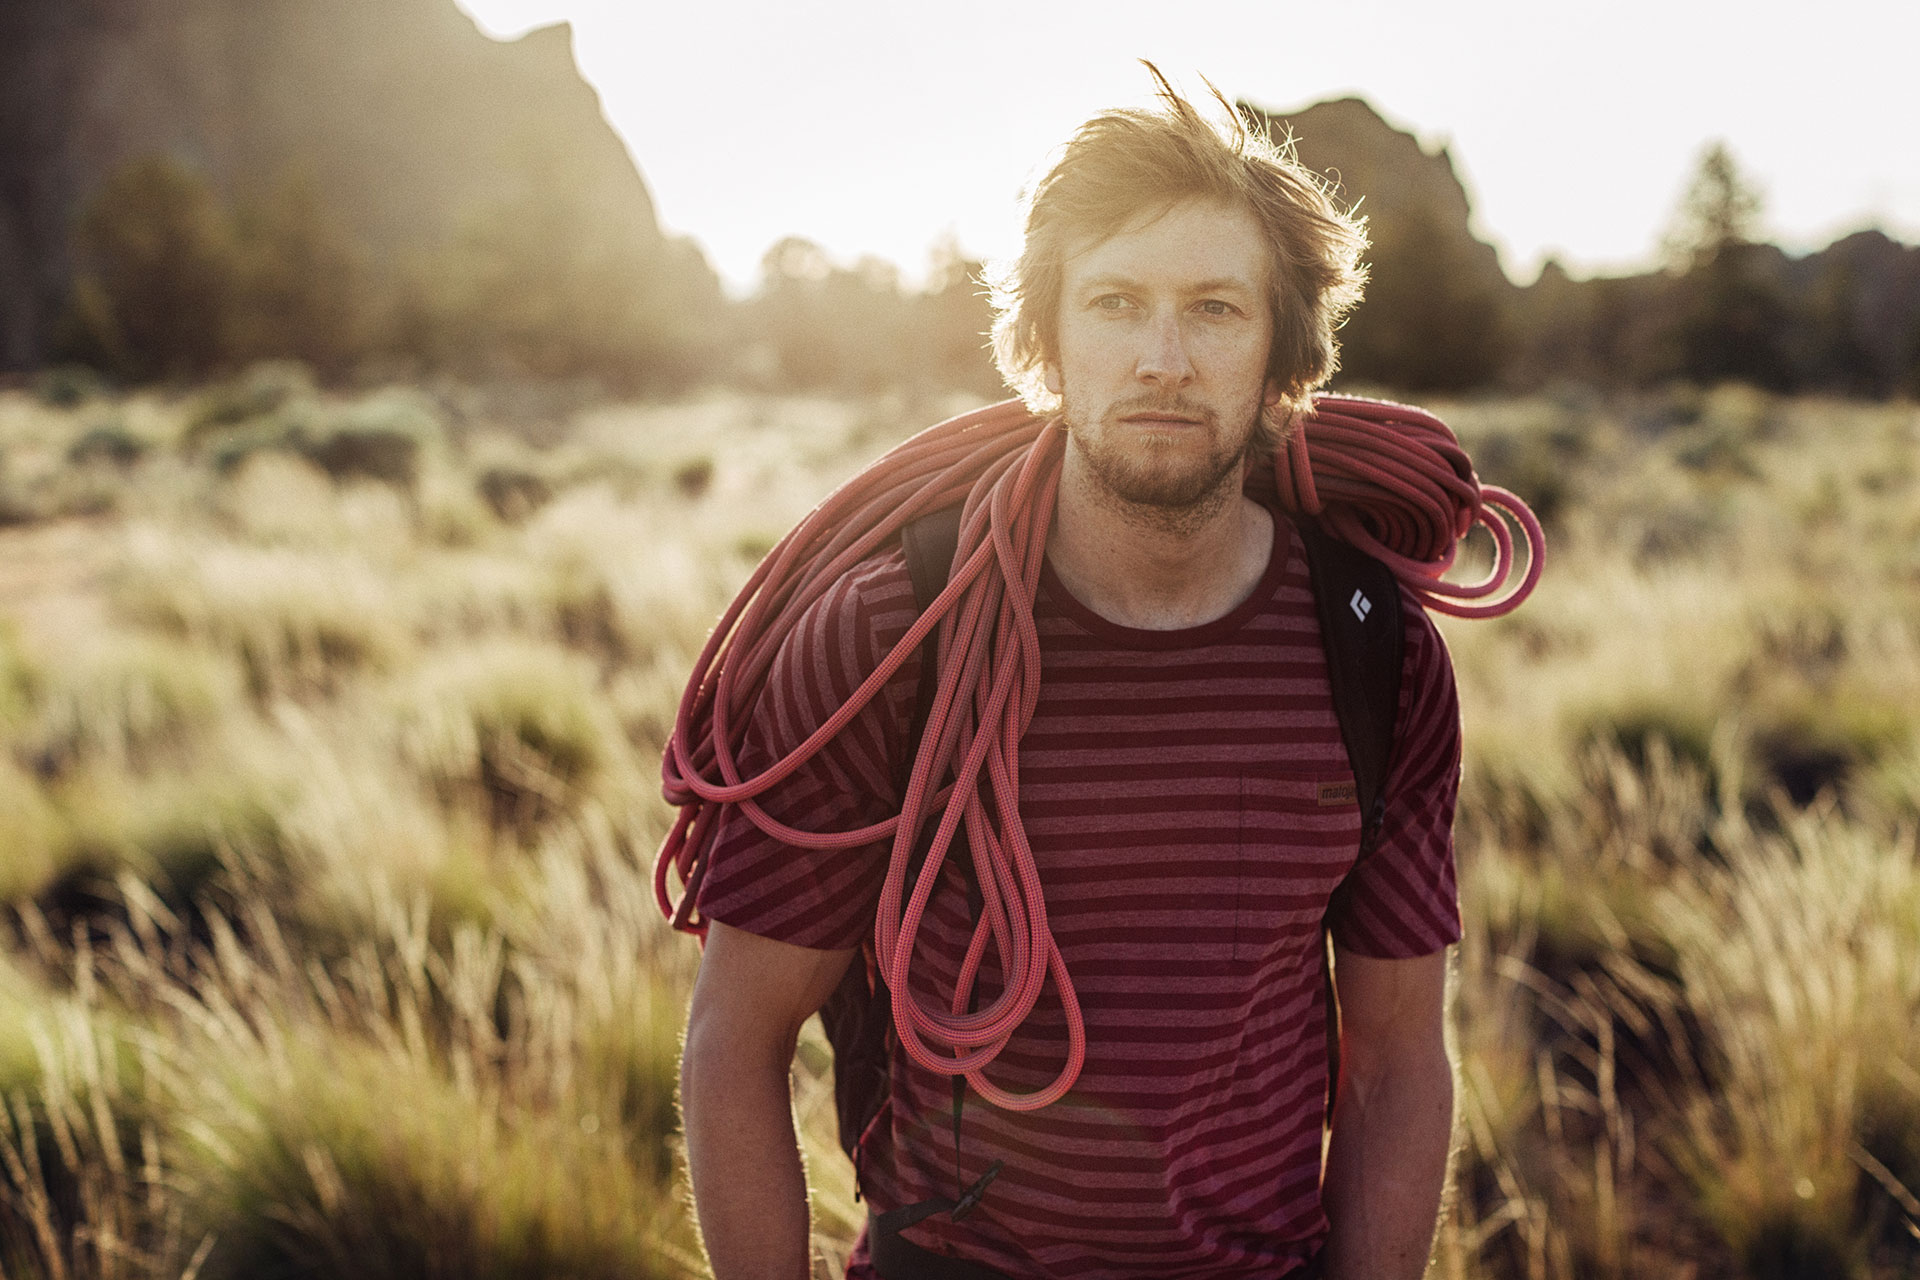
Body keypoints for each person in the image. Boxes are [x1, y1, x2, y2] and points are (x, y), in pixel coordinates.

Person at [679, 68, 1460, 1280]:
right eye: (1113, 303)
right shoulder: (898, 636)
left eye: (1213, 309)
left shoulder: (1374, 650)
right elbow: (738, 1034)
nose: (1162, 358)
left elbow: (1400, 1058)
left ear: (1282, 351)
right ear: (1043, 340)